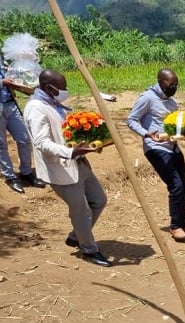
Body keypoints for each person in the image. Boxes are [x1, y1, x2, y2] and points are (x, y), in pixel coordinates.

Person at [23, 70, 111, 267]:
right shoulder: (36, 108)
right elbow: (41, 143)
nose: (65, 91)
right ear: (49, 88)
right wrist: (70, 152)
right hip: (61, 169)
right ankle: (89, 249)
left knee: (99, 200)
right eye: (62, 88)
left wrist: (89, 144)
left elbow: (66, 132)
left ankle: (75, 236)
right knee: (82, 212)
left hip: (78, 164)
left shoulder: (54, 104)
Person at [126, 68, 185, 242]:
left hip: (172, 147)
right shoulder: (147, 98)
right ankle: (175, 227)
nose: (174, 87)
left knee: (184, 187)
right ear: (161, 82)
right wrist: (146, 133)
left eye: (176, 84)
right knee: (176, 186)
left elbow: (176, 125)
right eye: (171, 84)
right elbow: (130, 120)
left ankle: (182, 223)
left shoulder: (172, 102)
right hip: (155, 148)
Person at [0, 52, 44, 193]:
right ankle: (10, 176)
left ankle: (26, 172)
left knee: (24, 138)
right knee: (1, 145)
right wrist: (2, 83)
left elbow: (10, 70)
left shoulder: (1, 55)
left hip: (10, 104)